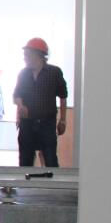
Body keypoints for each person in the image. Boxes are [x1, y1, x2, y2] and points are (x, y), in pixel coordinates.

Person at [13, 37, 68, 167]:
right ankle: (26, 181)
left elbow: (63, 96)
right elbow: (17, 95)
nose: (25, 58)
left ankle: (53, 181)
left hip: (47, 125)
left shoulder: (54, 73)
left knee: (50, 160)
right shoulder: (23, 74)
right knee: (25, 162)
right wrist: (20, 106)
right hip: (27, 124)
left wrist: (63, 120)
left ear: (38, 55)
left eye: (27, 55)